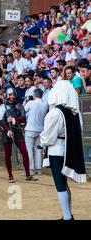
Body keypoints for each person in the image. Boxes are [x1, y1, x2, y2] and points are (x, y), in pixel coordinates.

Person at [39, 80, 87, 220]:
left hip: (56, 151)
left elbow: (48, 137)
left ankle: (67, 216)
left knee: (60, 184)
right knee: (64, 184)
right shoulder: (75, 114)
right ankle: (67, 214)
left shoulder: (55, 113)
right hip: (68, 150)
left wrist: (41, 144)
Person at [0, 88, 37, 183]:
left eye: (13, 95)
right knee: (7, 155)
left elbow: (23, 118)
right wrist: (7, 130)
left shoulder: (19, 105)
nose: (12, 96)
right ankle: (10, 175)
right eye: (10, 95)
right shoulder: (2, 107)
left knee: (25, 152)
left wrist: (14, 119)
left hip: (17, 131)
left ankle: (28, 174)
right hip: (7, 133)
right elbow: (1, 121)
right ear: (7, 95)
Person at [23, 89, 48, 176]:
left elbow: (23, 111)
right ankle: (39, 169)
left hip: (30, 128)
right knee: (38, 149)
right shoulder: (45, 104)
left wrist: (25, 102)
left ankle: (30, 169)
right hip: (40, 129)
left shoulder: (31, 103)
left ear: (34, 95)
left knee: (29, 149)